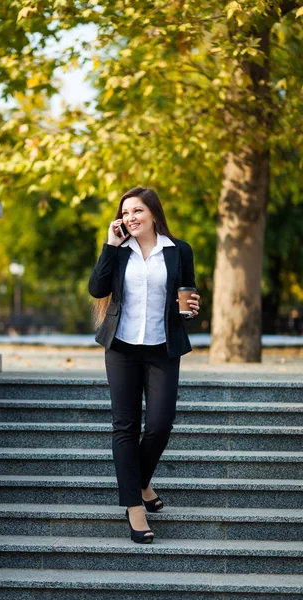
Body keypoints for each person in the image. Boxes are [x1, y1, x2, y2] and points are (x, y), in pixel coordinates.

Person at [88, 186, 200, 544]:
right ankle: (134, 506)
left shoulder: (179, 250)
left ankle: (140, 481)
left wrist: (192, 308)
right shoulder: (118, 252)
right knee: (125, 425)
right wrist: (109, 245)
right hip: (121, 347)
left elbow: (188, 291)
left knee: (160, 424)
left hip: (161, 348)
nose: (130, 218)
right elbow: (96, 289)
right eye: (124, 213)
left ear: (153, 213)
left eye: (137, 211)